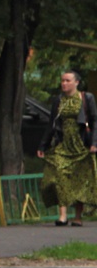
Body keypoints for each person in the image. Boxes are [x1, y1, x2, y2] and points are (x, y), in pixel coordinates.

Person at [36, 70, 97, 226]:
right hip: (63, 145)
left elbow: (94, 122)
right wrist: (43, 144)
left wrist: (94, 144)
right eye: (62, 81)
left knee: (80, 181)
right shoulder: (59, 100)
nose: (64, 83)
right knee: (59, 175)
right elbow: (52, 124)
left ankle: (78, 217)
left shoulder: (86, 98)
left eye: (68, 80)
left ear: (76, 82)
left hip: (81, 145)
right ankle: (62, 215)